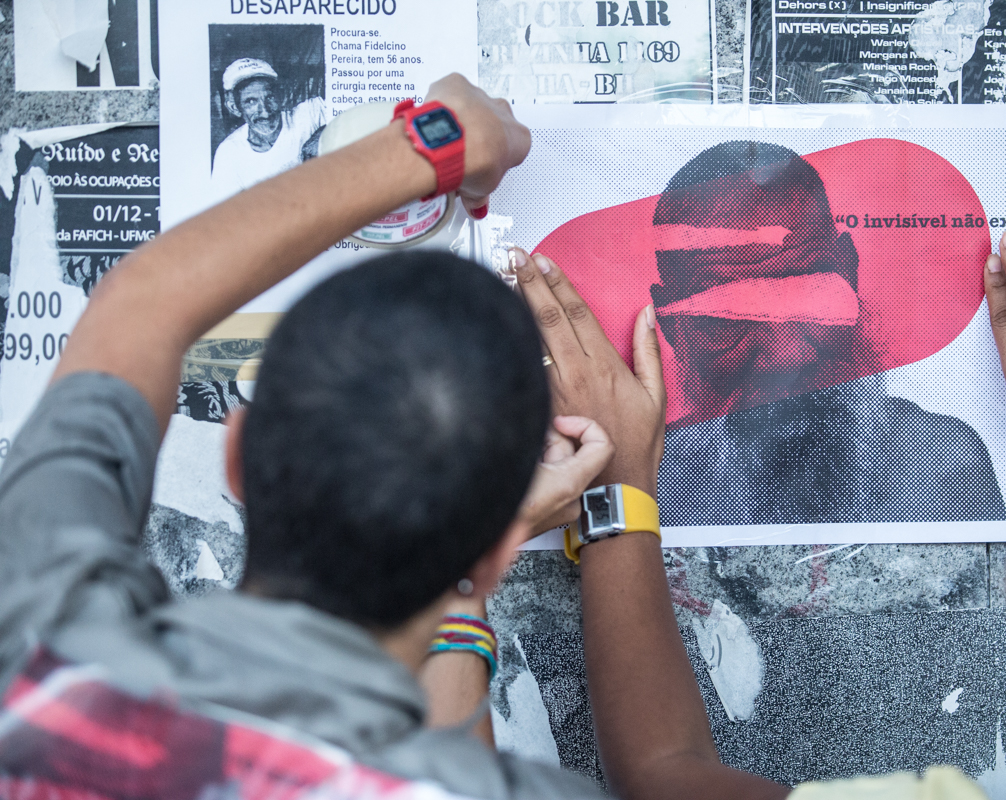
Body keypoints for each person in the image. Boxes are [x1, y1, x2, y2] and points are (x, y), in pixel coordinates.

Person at [0, 75, 614, 799]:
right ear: (494, 558)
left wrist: (439, 139)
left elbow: (141, 305)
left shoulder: (41, 653)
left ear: (238, 457)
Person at [505, 219, 1006, 798]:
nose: (779, 346)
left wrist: (617, 486)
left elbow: (665, 778)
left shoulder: (943, 459)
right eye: (728, 308)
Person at [651, 141, 1006, 526]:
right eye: (724, 315)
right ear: (672, 325)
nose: (786, 356)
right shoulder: (653, 486)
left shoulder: (943, 467)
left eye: (811, 291)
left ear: (849, 271)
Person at [210, 58, 327, 197]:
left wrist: (323, 131)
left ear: (280, 96)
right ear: (234, 107)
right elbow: (228, 213)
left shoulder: (310, 114)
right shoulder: (229, 153)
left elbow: (354, 105)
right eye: (251, 101)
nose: (265, 111)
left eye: (269, 97)